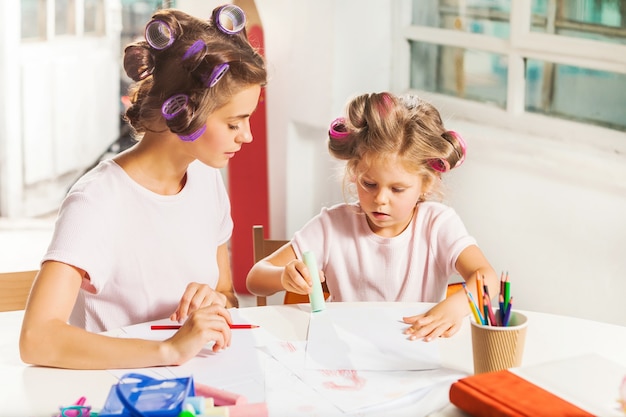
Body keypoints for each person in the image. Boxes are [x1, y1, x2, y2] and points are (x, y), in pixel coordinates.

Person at [20, 5, 267, 369]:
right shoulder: (97, 200)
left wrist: (214, 302)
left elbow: (228, 295)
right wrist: (168, 350)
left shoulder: (206, 179)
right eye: (234, 123)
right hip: (116, 392)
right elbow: (37, 339)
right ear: (185, 112)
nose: (247, 136)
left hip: (194, 386)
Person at [246, 92, 498, 342]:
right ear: (354, 172)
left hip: (415, 352)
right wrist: (283, 277)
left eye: (397, 189)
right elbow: (256, 278)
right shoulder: (332, 226)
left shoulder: (438, 224)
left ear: (427, 183)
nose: (380, 199)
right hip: (345, 356)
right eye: (369, 184)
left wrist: (457, 306)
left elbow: (488, 278)